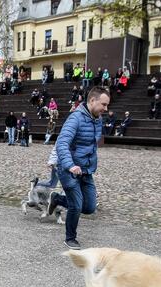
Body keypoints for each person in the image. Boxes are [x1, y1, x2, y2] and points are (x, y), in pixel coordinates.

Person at [46, 86, 110, 249]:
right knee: (76, 204)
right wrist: (70, 165)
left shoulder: (97, 118)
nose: (105, 108)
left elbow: (90, 144)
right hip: (68, 169)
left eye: (107, 105)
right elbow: (62, 143)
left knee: (89, 207)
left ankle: (57, 199)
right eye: (103, 104)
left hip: (85, 170)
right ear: (92, 100)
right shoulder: (76, 118)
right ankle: (70, 238)